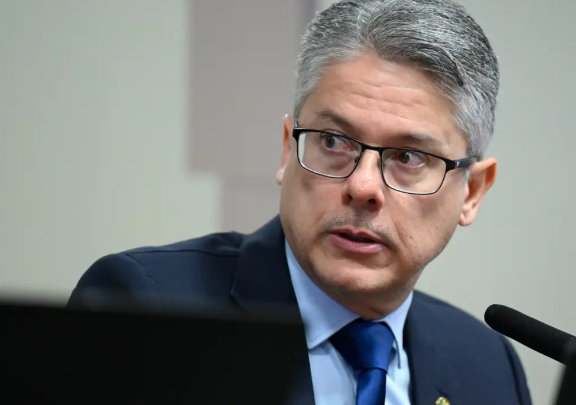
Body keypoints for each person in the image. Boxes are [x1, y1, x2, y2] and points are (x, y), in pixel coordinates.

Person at [69, 1, 532, 404]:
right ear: (287, 150)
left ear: (472, 191)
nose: (363, 187)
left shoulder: (486, 364)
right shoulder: (149, 310)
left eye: (408, 157)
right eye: (333, 141)